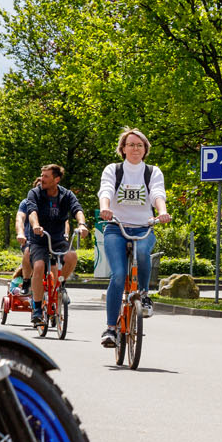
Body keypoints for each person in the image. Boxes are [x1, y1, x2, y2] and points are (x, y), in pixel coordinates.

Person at [97, 129, 171, 348]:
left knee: (142, 252)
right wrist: (105, 208)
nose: (135, 149)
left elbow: (158, 193)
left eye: (139, 145)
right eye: (130, 145)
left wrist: (162, 212)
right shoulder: (114, 170)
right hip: (116, 227)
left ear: (145, 149)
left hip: (143, 227)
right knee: (118, 275)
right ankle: (111, 329)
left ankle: (145, 294)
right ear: (123, 149)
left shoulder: (152, 172)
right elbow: (106, 190)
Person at [25, 164, 88, 330]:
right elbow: (32, 211)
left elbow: (77, 209)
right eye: (42, 175)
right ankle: (37, 309)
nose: (42, 179)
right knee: (39, 266)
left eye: (46, 176)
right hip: (39, 238)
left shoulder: (66, 195)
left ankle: (60, 286)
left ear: (56, 179)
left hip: (58, 238)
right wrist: (36, 225)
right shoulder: (35, 192)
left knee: (72, 257)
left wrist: (82, 224)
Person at [10, 177, 42, 294]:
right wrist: (20, 233)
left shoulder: (52, 202)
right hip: (31, 240)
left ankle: (60, 289)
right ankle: (26, 282)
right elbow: (20, 218)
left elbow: (64, 220)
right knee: (28, 251)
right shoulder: (26, 203)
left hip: (49, 240)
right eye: (38, 187)